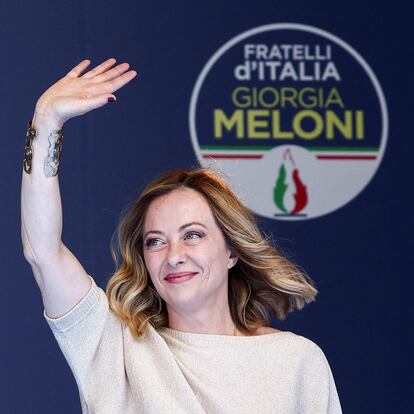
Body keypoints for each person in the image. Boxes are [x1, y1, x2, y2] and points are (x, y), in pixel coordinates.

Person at [21, 58, 343, 413]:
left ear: (232, 250)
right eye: (155, 241)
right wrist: (46, 120)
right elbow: (43, 251)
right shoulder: (114, 346)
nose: (173, 254)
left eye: (192, 235)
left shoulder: (297, 362)